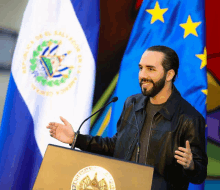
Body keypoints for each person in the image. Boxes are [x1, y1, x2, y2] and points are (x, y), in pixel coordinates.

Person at [47, 45, 207, 189]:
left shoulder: (189, 118)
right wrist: (75, 139)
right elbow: (116, 146)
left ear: (169, 74)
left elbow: (200, 175)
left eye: (150, 69)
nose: (142, 75)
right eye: (141, 68)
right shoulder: (132, 103)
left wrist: (191, 165)